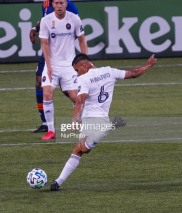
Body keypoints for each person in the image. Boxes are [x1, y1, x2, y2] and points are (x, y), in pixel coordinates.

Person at [50, 53, 157, 191]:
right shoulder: (109, 71)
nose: (77, 74)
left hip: (91, 118)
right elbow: (134, 73)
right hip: (101, 117)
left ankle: (109, 127)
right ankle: (57, 182)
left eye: (77, 70)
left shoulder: (84, 78)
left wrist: (74, 119)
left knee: (83, 148)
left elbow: (80, 100)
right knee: (78, 150)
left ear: (83, 65)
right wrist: (149, 64)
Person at [30, 0, 81, 134]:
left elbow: (76, 29)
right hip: (48, 53)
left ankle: (82, 107)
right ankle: (46, 124)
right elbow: (45, 20)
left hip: (64, 57)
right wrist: (35, 28)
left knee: (67, 91)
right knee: (40, 84)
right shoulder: (46, 4)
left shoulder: (70, 6)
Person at [39, 0, 88, 140]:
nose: (59, 6)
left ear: (66, 4)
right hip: (52, 64)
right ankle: (51, 130)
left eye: (62, 3)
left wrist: (85, 61)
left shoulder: (74, 19)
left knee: (75, 97)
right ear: (52, 4)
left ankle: (80, 122)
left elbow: (82, 40)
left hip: (69, 66)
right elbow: (45, 44)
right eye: (56, 3)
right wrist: (48, 66)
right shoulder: (46, 21)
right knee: (47, 93)